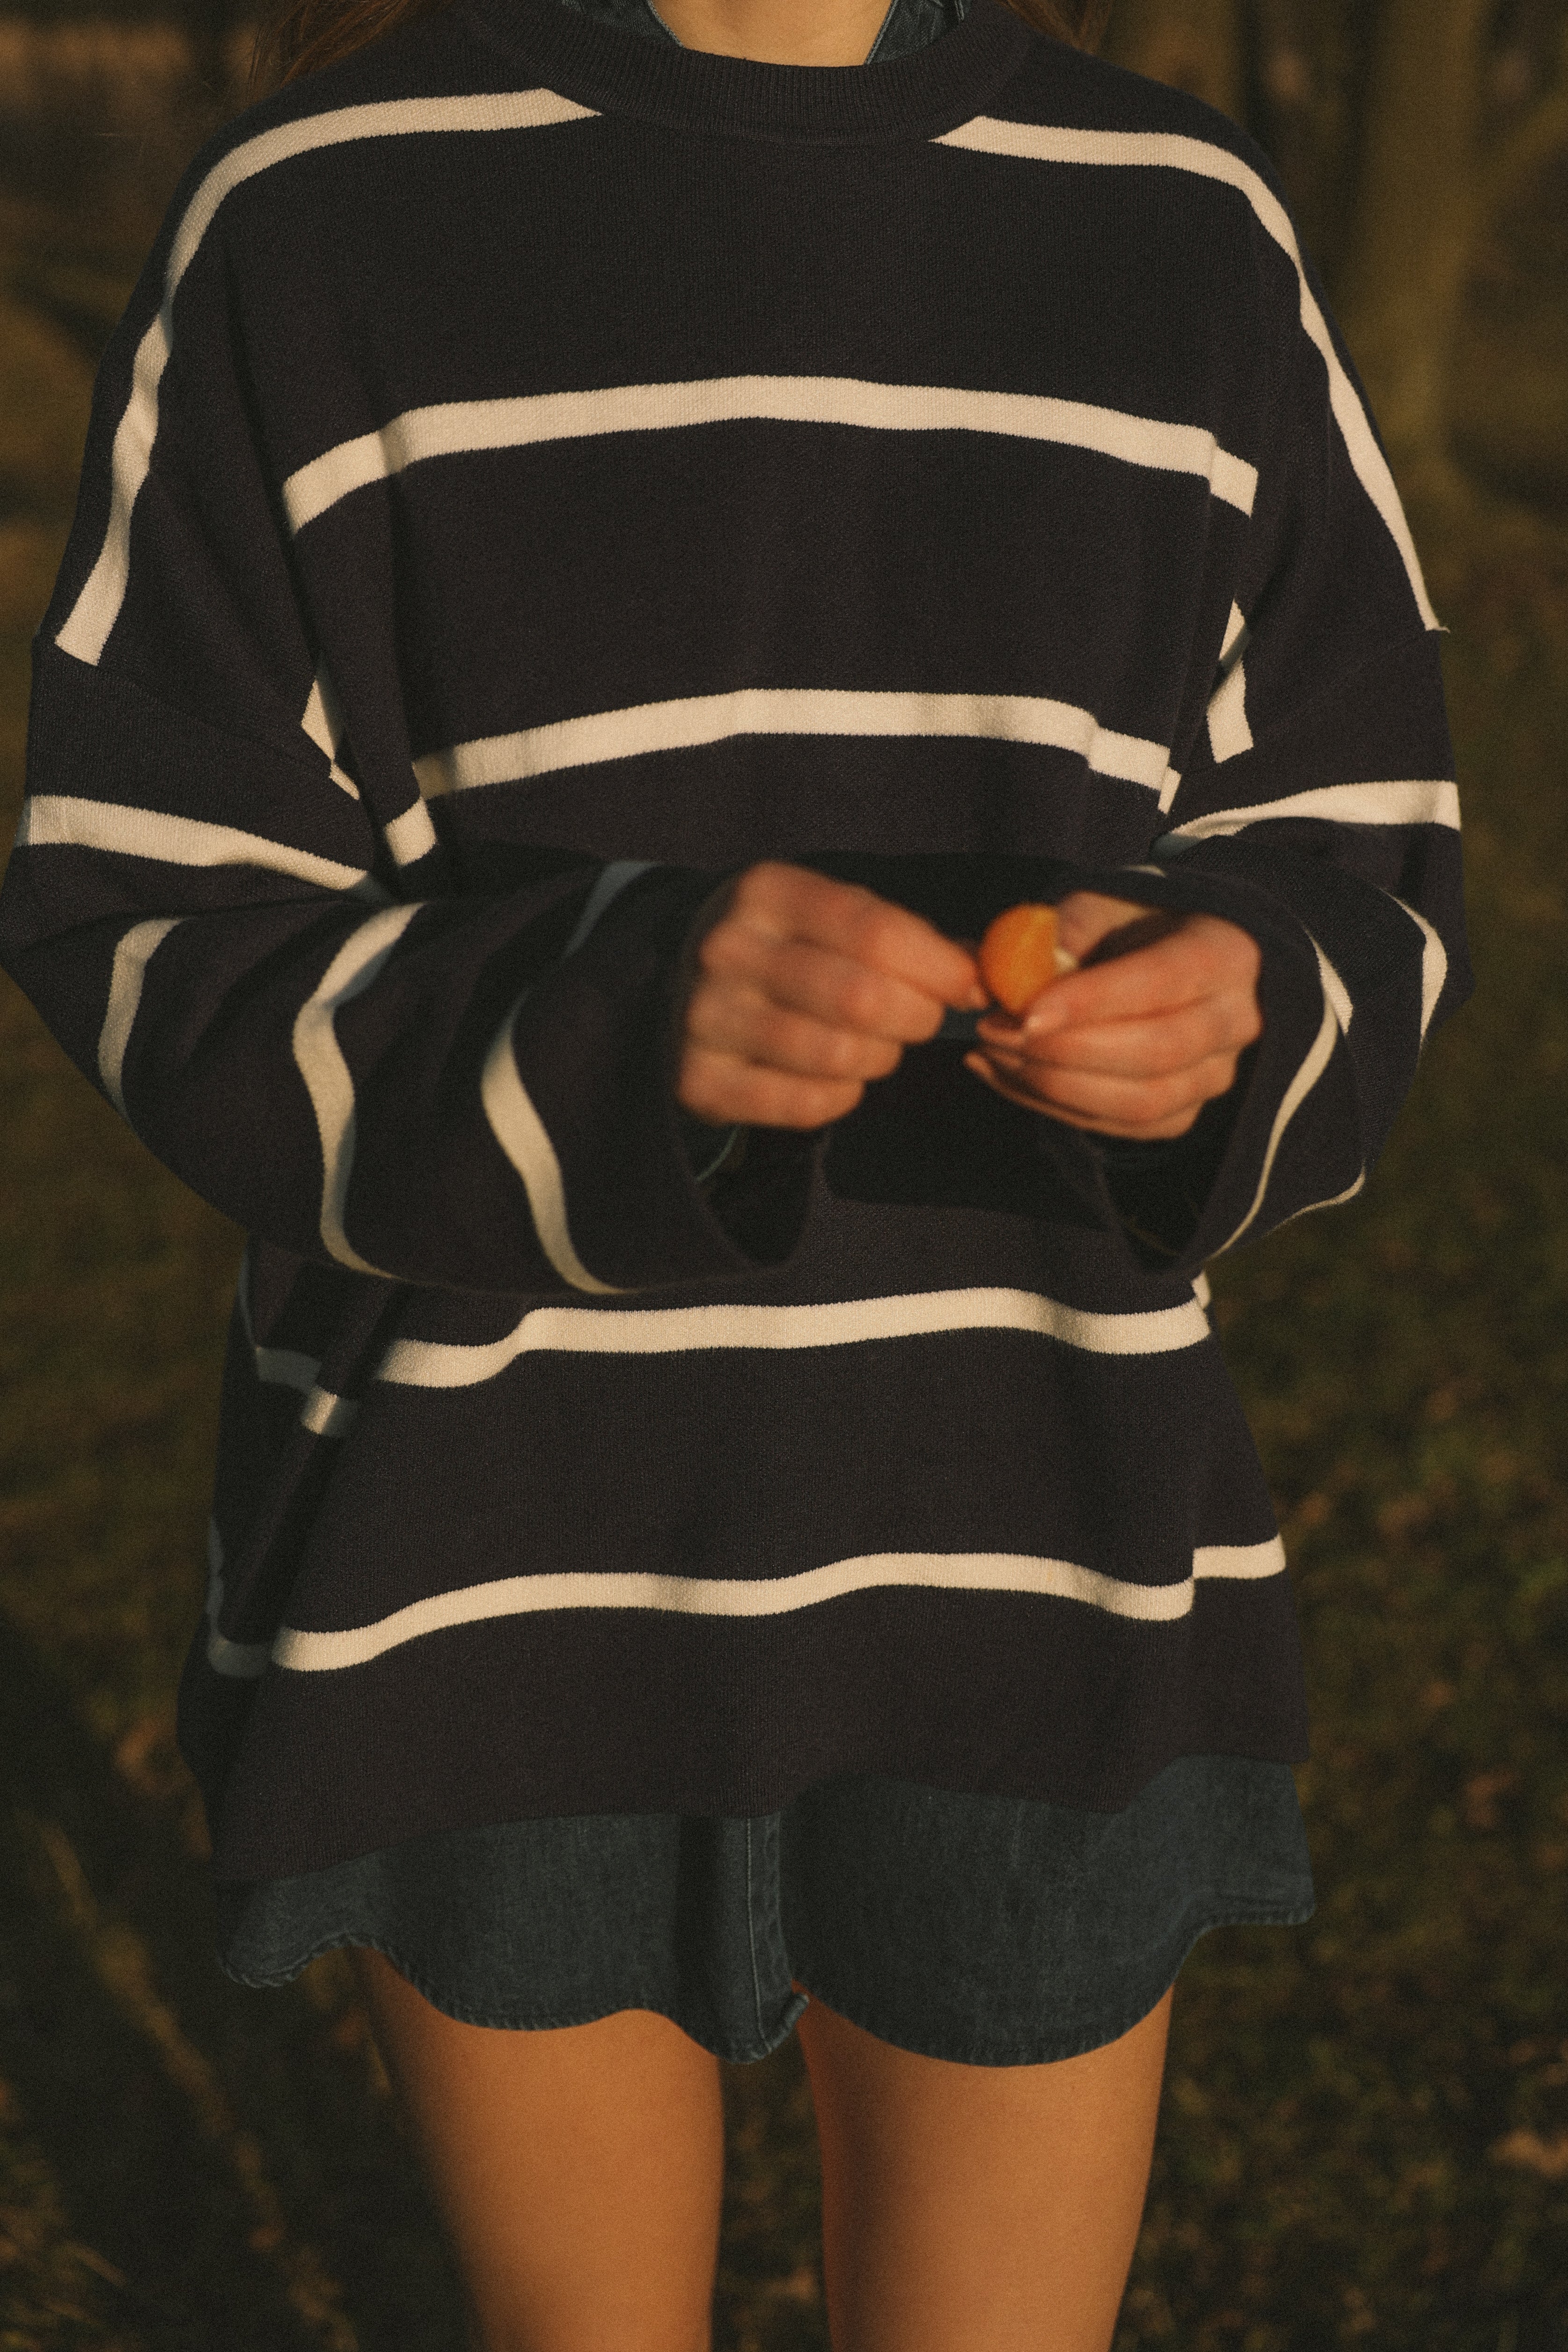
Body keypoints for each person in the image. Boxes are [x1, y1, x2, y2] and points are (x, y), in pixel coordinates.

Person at [0, 0, 1469, 2340]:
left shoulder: (1187, 230)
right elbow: (149, 910)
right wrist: (599, 1028)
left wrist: (1239, 1005)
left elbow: (1358, 849)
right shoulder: (311, 218)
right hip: (483, 1570)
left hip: (1037, 1539)